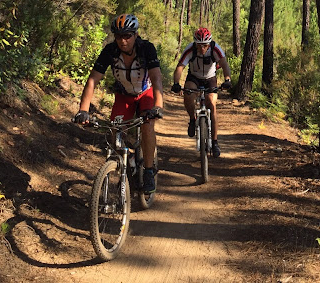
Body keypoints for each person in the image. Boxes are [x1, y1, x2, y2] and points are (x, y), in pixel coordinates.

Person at [73, 14, 164, 194]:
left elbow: (156, 77)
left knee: (147, 125)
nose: (123, 41)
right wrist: (83, 110)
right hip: (124, 96)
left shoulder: (147, 48)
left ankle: (148, 171)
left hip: (145, 94)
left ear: (135, 34)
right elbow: (93, 80)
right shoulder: (110, 51)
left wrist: (158, 106)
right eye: (118, 36)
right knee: (115, 132)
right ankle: (127, 161)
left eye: (127, 35)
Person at [171, 27, 231, 158]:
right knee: (188, 94)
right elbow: (180, 67)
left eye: (205, 45)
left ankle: (215, 142)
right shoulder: (190, 49)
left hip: (210, 78)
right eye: (199, 45)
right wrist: (176, 83)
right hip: (194, 77)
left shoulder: (215, 49)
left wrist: (227, 79)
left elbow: (224, 65)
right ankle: (192, 119)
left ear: (209, 43)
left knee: (212, 104)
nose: (202, 48)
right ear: (195, 43)